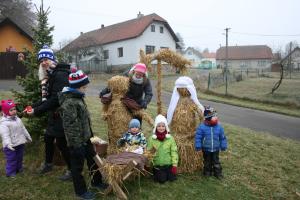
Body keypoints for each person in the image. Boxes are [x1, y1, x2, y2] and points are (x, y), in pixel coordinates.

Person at [59, 70, 107, 200]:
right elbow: (70, 126)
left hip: (86, 139)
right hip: (77, 143)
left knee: (93, 160)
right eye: (84, 87)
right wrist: (77, 144)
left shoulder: (78, 97)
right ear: (77, 87)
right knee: (77, 167)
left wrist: (90, 136)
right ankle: (80, 191)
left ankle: (96, 182)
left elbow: (83, 121)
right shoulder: (69, 103)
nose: (86, 89)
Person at [26, 45, 72, 181]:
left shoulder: (60, 74)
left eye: (46, 59)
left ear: (52, 59)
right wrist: (31, 106)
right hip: (54, 114)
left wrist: (36, 111)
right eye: (41, 61)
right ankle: (48, 164)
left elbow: (55, 99)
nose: (44, 62)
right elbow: (46, 99)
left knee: (63, 144)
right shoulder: (50, 75)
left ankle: (71, 170)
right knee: (48, 138)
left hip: (63, 114)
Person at [0, 100, 32, 177]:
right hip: (10, 146)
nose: (14, 111)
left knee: (19, 157)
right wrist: (8, 144)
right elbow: (5, 135)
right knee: (12, 159)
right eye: (11, 110)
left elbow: (23, 129)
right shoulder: (4, 123)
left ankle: (19, 169)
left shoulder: (18, 119)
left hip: (20, 143)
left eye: (14, 109)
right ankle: (10, 173)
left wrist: (28, 137)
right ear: (6, 111)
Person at [194, 106, 227, 179]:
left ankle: (217, 173)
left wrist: (223, 145)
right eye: (214, 116)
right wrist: (198, 145)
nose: (216, 118)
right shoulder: (202, 127)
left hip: (216, 148)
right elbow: (198, 137)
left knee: (216, 161)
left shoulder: (219, 127)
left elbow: (222, 137)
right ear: (208, 118)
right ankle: (207, 172)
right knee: (207, 161)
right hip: (206, 148)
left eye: (216, 116)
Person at [147, 114, 178, 184]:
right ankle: (157, 173)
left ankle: (168, 173)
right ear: (156, 127)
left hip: (168, 164)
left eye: (163, 126)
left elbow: (174, 152)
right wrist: (148, 164)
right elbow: (149, 152)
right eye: (159, 126)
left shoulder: (170, 138)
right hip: (158, 165)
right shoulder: (152, 139)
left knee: (172, 179)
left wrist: (174, 165)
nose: (161, 128)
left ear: (166, 127)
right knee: (162, 180)